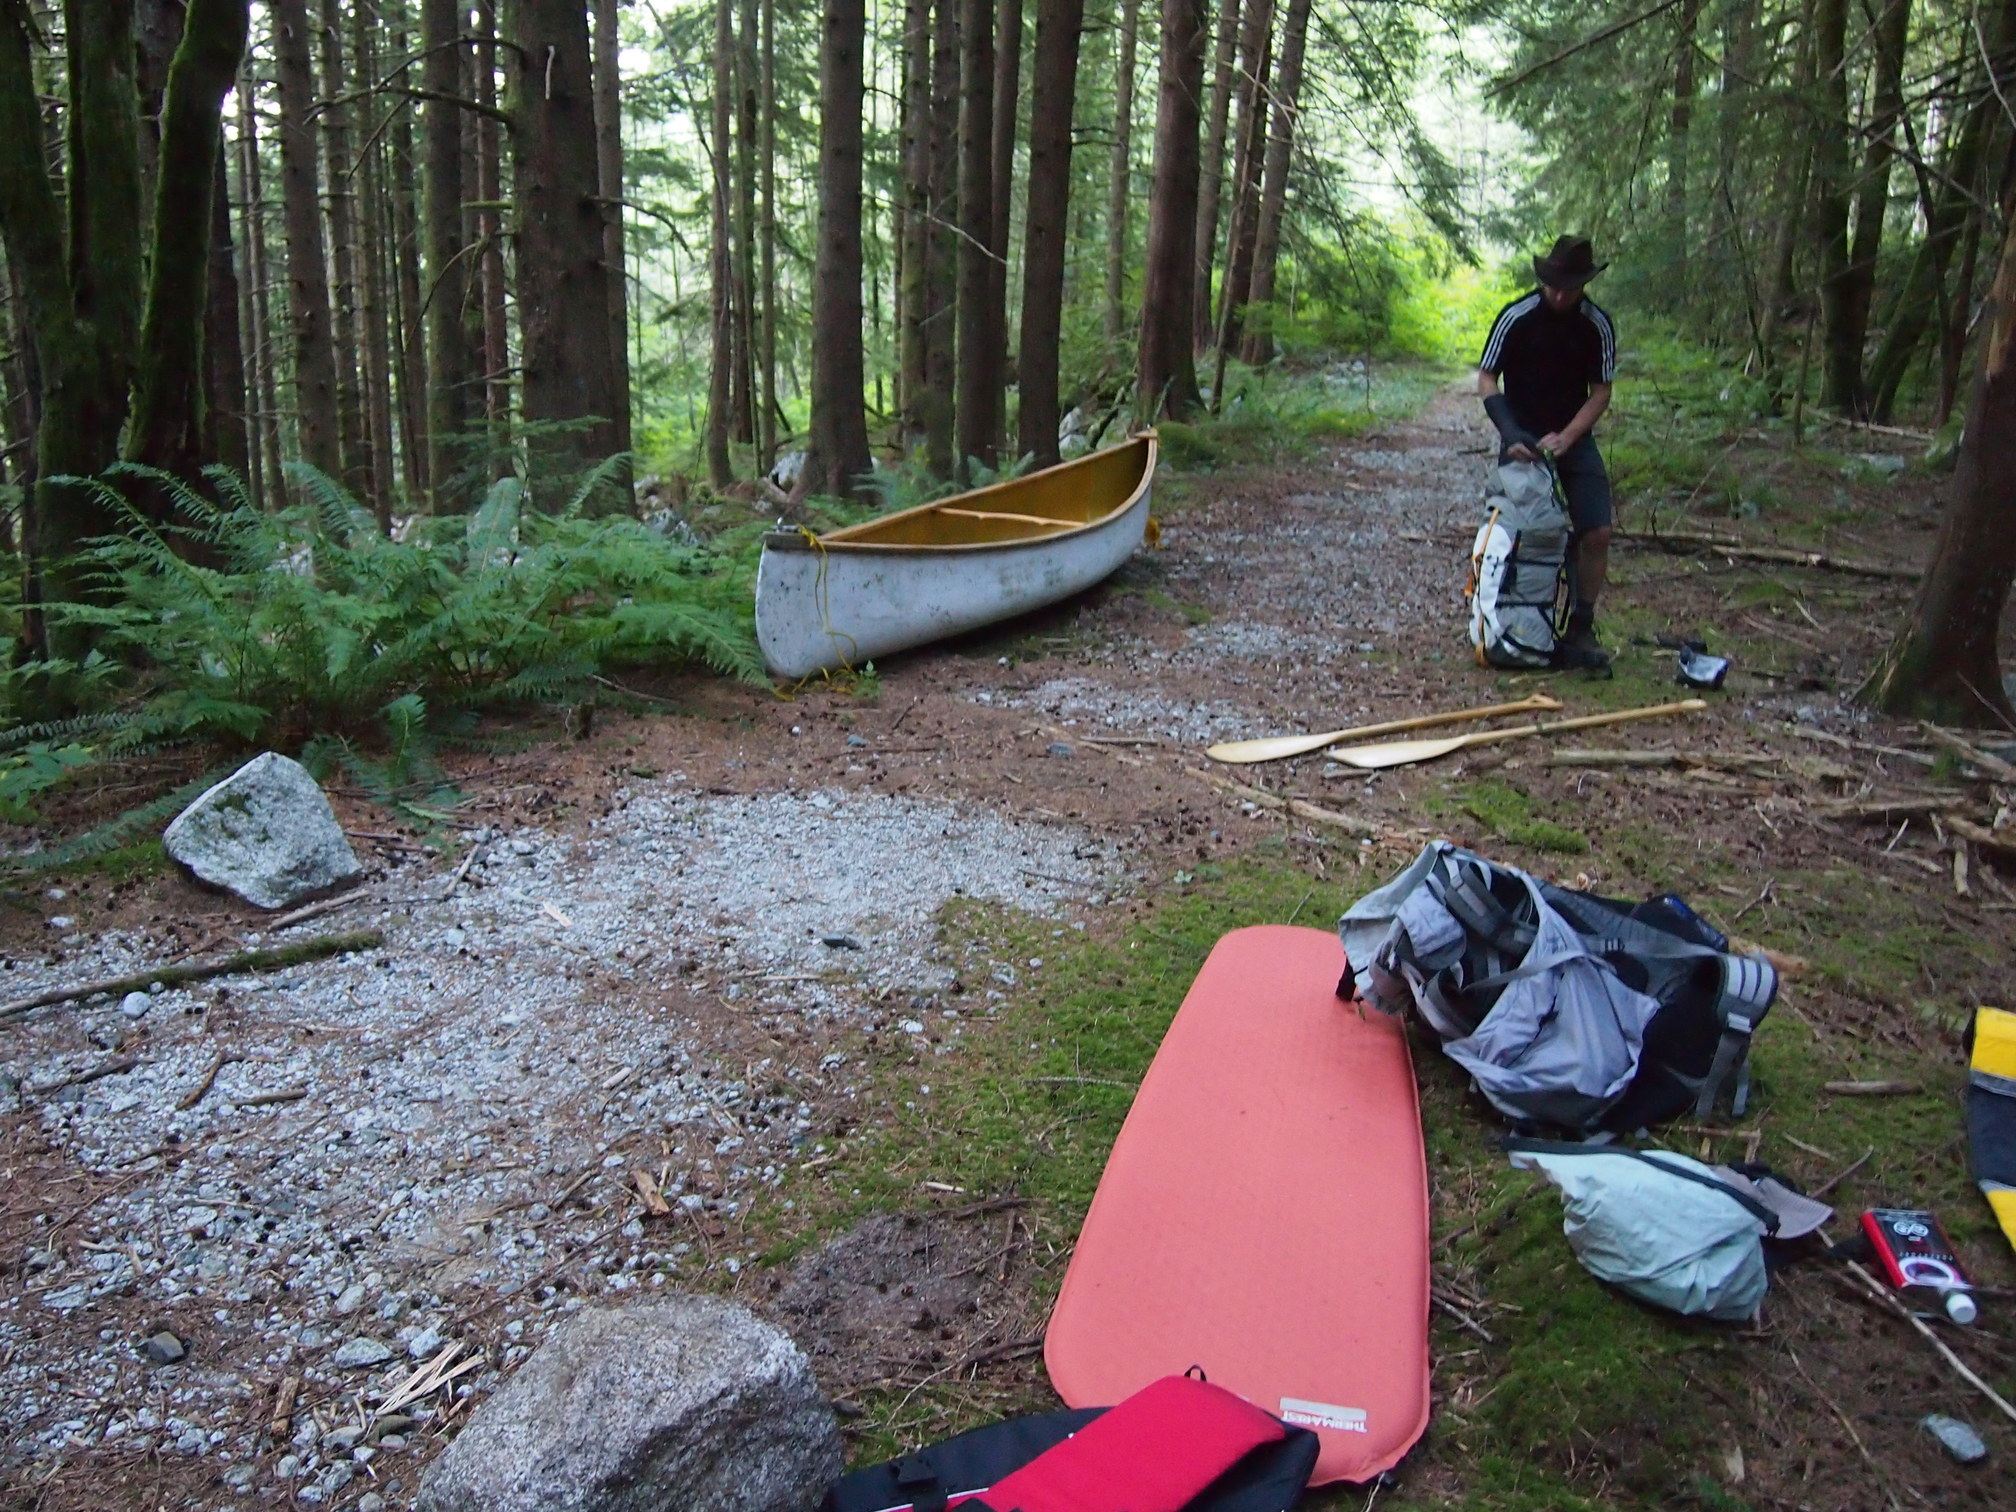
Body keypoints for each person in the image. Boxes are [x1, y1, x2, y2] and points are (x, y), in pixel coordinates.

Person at [1477, 236, 1617, 669]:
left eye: (1569, 287)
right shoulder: (1517, 316)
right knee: (1514, 531)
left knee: (1597, 532)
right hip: (1520, 435)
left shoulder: (1597, 324)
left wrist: (1570, 436)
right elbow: (1486, 378)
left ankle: (1582, 623)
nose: (1559, 294)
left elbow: (1601, 391)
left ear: (1584, 284)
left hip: (1572, 437)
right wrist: (1510, 430)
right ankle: (1503, 619)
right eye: (1553, 285)